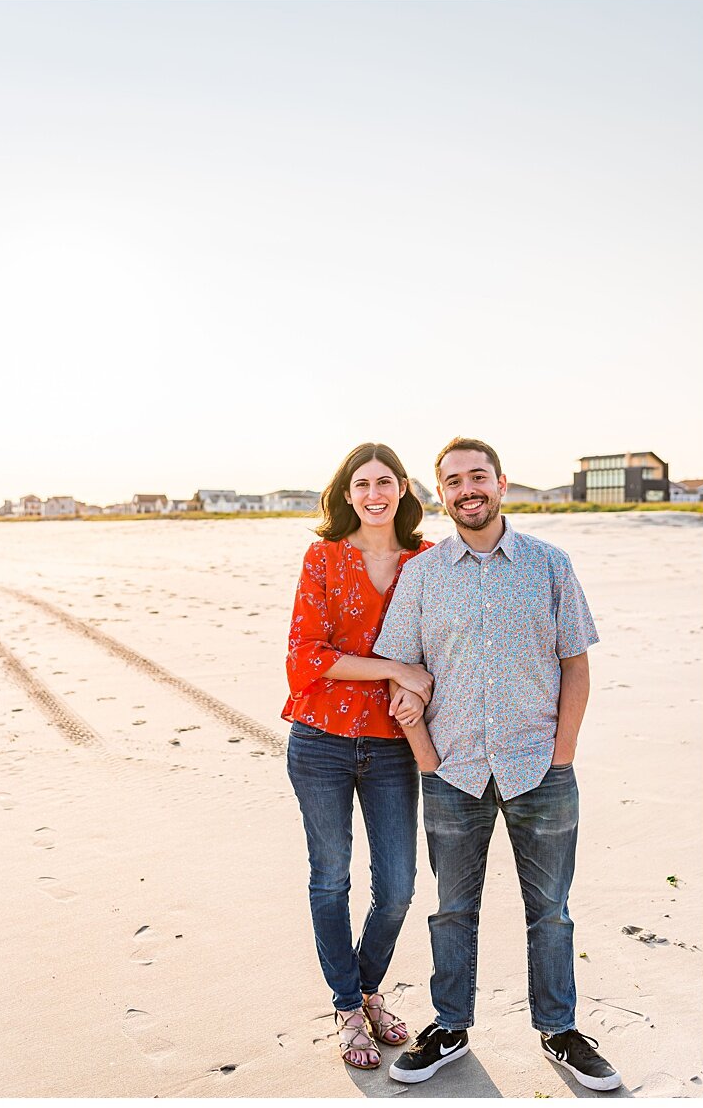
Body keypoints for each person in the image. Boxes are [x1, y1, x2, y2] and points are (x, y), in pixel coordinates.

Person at [374, 436, 620, 1092]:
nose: (467, 489)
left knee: (552, 910)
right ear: (442, 494)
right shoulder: (423, 575)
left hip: (541, 768)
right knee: (453, 909)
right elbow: (402, 675)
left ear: (502, 482)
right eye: (453, 481)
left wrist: (561, 755)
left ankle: (560, 1030)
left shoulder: (549, 564)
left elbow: (576, 666)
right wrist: (427, 759)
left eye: (477, 476)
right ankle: (449, 1025)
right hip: (453, 773)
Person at [283, 442, 441, 1070]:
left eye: (385, 482)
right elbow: (306, 658)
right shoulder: (323, 558)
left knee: (398, 886)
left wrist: (415, 682)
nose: (373, 494)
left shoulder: (429, 562)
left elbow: (442, 650)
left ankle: (367, 989)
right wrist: (398, 667)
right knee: (331, 878)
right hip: (319, 742)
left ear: (403, 489)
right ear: (345, 494)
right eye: (361, 484)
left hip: (393, 748)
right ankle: (349, 1006)